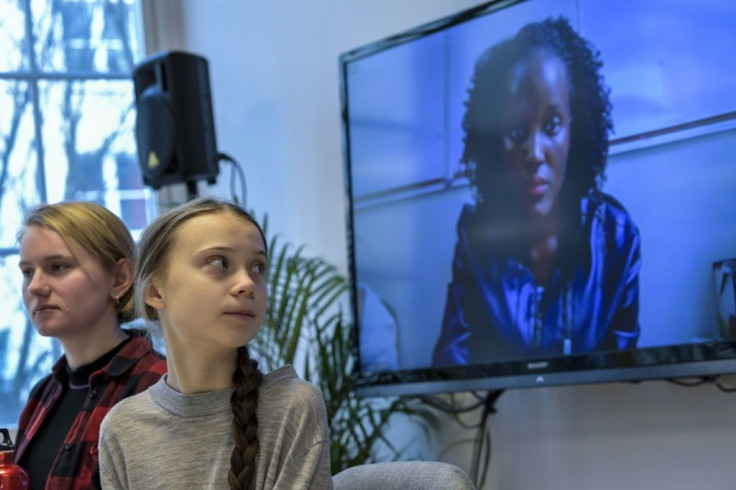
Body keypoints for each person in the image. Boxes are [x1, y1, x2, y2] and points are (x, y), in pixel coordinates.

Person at [433, 17, 641, 366]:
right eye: (516, 129)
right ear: (494, 143)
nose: (534, 152)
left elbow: (627, 371)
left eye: (552, 125)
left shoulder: (616, 238)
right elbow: (450, 364)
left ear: (576, 132)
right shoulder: (475, 235)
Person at [98, 197, 333, 489]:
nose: (247, 283)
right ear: (156, 291)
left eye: (258, 267)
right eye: (220, 262)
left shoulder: (292, 408)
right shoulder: (122, 428)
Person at [14, 201, 167, 489]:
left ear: (120, 278)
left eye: (57, 267)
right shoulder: (43, 394)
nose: (35, 286)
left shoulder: (157, 386)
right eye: (27, 271)